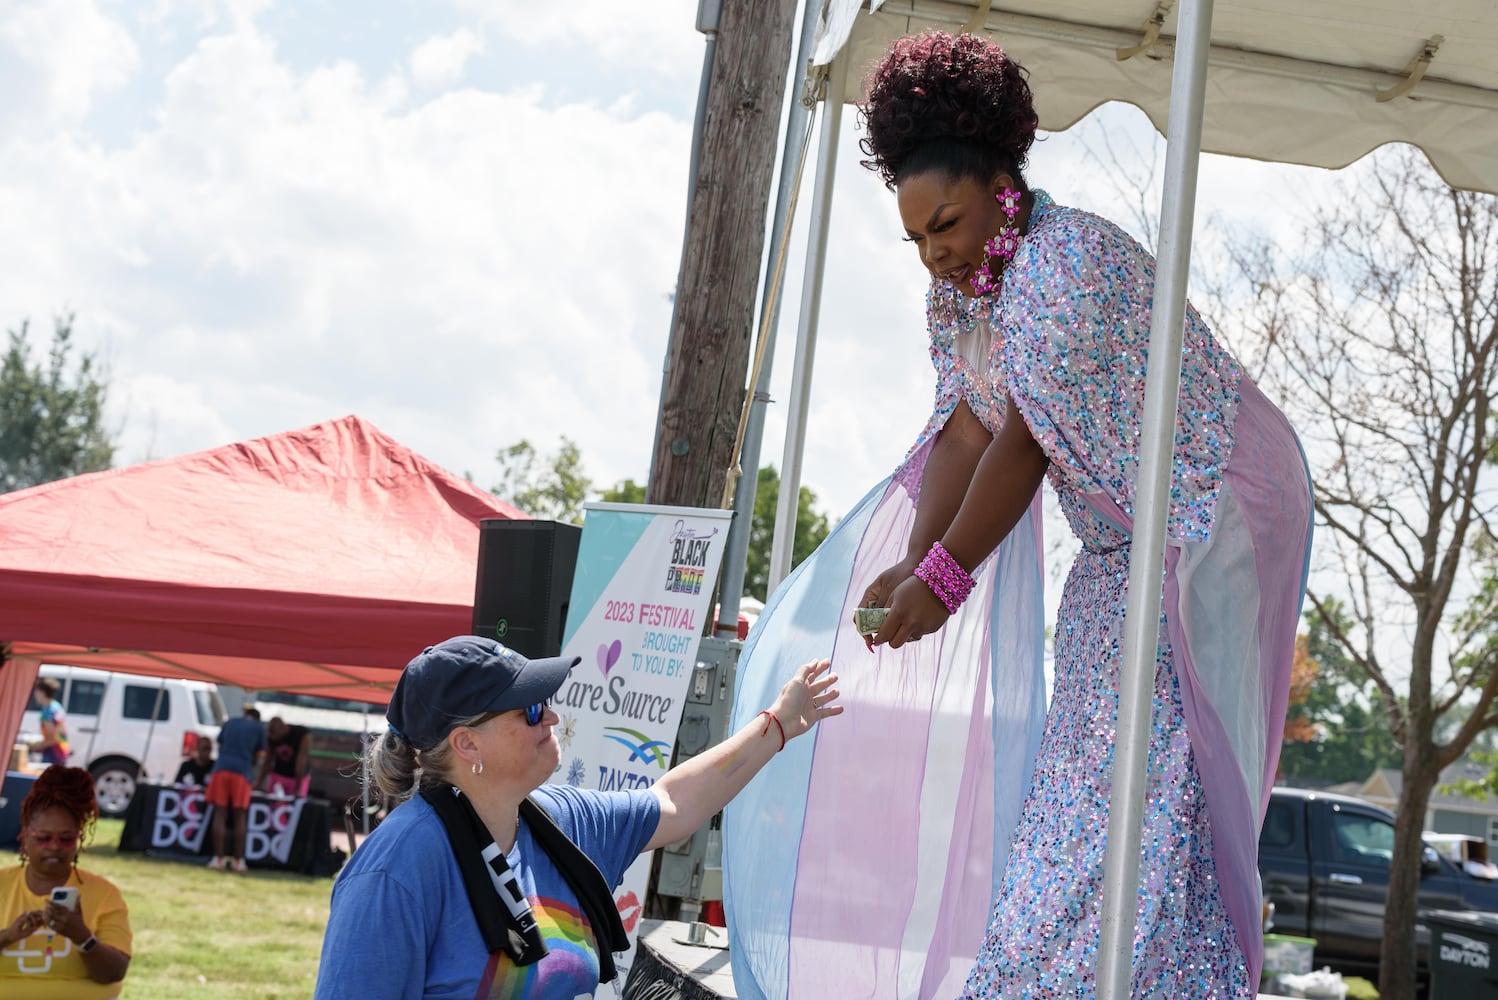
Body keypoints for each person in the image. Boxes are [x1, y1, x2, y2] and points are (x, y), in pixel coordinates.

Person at [725, 30, 1313, 1000]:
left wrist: (942, 582)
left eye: (945, 223)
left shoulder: (1065, 268)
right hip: (1126, 540)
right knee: (1086, 757)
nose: (935, 254)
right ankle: (1049, 974)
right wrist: (915, 562)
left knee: (1158, 761)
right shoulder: (967, 302)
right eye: (915, 237)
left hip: (1220, 512)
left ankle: (1128, 978)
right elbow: (963, 431)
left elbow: (1023, 441)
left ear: (1003, 186)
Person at [314, 635, 840, 998]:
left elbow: (676, 804)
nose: (553, 716)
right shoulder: (394, 873)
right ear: (466, 742)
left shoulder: (559, 823)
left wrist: (779, 724)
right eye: (531, 709)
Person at [0, 766, 132, 998]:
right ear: (25, 835)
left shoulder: (103, 895)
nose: (54, 846)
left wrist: (81, 936)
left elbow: (114, 972)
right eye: (43, 838)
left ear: (79, 838)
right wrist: (7, 937)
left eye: (66, 839)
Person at [204, 707, 266, 872]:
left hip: (221, 770)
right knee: (239, 817)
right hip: (242, 773)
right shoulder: (258, 728)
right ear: (257, 718)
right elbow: (258, 755)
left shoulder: (230, 722)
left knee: (220, 814)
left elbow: (221, 744)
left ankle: (218, 859)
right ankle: (239, 862)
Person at [258, 716, 312, 798]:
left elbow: (301, 761)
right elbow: (267, 761)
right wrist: (259, 782)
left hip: (298, 777)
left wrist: (298, 788)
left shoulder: (301, 734)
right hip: (279, 775)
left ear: (282, 729)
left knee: (295, 805)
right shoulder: (271, 737)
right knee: (274, 805)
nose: (275, 740)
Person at [28, 679, 70, 766]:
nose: (35, 695)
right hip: (61, 752)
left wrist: (33, 747)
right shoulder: (56, 706)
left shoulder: (47, 712)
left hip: (53, 755)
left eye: (36, 691)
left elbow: (53, 739)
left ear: (42, 692)